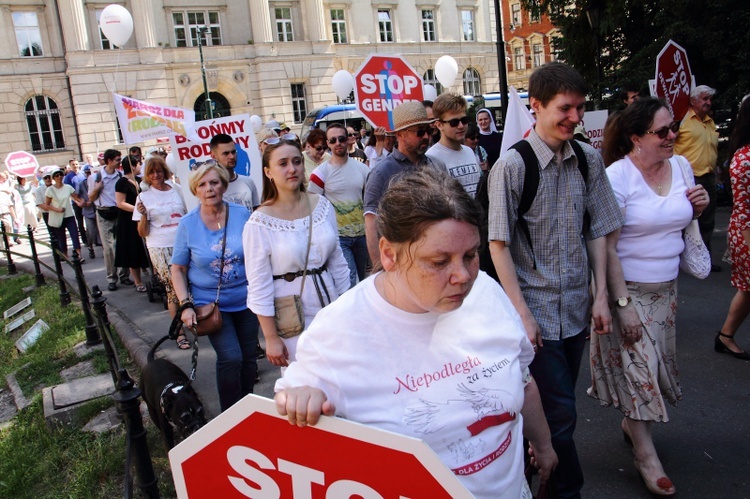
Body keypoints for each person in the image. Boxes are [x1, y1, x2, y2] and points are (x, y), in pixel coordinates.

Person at [275, 168, 558, 498]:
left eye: (470, 255)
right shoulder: (337, 334)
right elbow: (290, 433)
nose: (463, 276)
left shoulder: (487, 292)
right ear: (389, 254)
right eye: (439, 261)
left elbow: (522, 379)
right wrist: (300, 401)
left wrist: (544, 444)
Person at [487, 62, 623, 499]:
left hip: (576, 313)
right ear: (537, 106)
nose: (575, 117)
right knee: (560, 414)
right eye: (565, 108)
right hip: (538, 318)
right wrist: (522, 315)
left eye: (580, 108)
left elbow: (599, 228)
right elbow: (498, 245)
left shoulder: (587, 158)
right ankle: (566, 490)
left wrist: (601, 295)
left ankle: (531, 481)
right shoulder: (512, 166)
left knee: (551, 412)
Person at [592, 97, 709, 496]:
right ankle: (646, 456)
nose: (672, 136)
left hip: (667, 292)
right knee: (640, 373)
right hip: (631, 292)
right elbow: (606, 247)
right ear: (635, 138)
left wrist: (699, 206)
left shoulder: (681, 166)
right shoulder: (617, 177)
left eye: (672, 127)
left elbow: (680, 218)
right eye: (662, 132)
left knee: (656, 372)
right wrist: (617, 303)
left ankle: (631, 424)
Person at [244, 140, 349, 367]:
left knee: (341, 373)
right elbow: (259, 285)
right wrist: (271, 337)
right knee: (304, 380)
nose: (292, 169)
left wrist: (348, 306)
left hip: (331, 302)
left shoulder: (321, 205)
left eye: (297, 161)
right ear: (268, 172)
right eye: (283, 164)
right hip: (292, 312)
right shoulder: (259, 222)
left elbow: (338, 262)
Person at [171, 162, 259, 412]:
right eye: (202, 184)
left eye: (214, 182)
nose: (209, 188)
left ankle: (249, 410)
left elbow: (258, 252)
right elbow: (177, 269)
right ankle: (230, 416)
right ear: (195, 190)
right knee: (232, 358)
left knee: (249, 360)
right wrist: (185, 305)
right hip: (210, 305)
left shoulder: (242, 214)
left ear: (223, 185)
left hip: (247, 300)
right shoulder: (188, 224)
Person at [363, 101, 446, 267]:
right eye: (420, 132)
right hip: (402, 263)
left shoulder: (437, 166)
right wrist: (380, 268)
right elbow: (371, 224)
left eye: (428, 131)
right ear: (400, 135)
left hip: (438, 258)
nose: (426, 137)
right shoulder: (381, 173)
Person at [134, 156, 189, 348]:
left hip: (183, 243)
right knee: (173, 289)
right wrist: (143, 215)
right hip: (159, 246)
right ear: (147, 176)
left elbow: (189, 213)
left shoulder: (177, 189)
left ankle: (193, 318)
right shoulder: (143, 197)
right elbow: (142, 232)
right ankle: (179, 332)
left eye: (159, 171)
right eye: (151, 172)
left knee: (191, 284)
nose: (156, 175)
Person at [308, 124, 369, 287]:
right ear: (328, 143)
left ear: (348, 139)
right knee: (349, 280)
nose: (338, 143)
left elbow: (370, 201)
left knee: (364, 280)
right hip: (338, 237)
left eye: (341, 139)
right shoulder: (320, 173)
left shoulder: (363, 169)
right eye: (333, 140)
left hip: (362, 235)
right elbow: (312, 206)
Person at [717, 95, 750, 360]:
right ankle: (725, 336)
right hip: (747, 232)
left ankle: (726, 336)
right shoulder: (744, 157)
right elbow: (744, 206)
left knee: (747, 290)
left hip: (744, 230)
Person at [674, 85, 720, 271]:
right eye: (704, 99)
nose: (708, 103)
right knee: (687, 219)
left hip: (708, 177)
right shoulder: (683, 120)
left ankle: (704, 258)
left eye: (709, 99)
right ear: (693, 100)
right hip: (690, 178)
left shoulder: (709, 122)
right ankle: (680, 258)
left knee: (708, 219)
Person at [90, 149, 130, 291]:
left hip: (118, 212)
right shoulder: (97, 177)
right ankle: (112, 278)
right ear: (109, 161)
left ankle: (124, 275)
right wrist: (96, 189)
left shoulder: (120, 175)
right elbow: (90, 199)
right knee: (109, 249)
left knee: (122, 244)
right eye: (118, 159)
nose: (120, 162)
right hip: (104, 213)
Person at [427, 93, 481, 197]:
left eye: (464, 120)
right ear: (439, 125)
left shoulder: (469, 151)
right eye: (454, 122)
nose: (461, 126)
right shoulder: (432, 157)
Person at [114, 157, 149, 291]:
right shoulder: (121, 183)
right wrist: (137, 209)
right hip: (128, 221)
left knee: (144, 248)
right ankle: (138, 282)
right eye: (139, 164)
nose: (140, 166)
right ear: (133, 166)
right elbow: (120, 203)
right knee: (132, 250)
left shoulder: (140, 181)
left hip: (142, 218)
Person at [210, 133, 260, 211]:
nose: (232, 156)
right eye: (226, 153)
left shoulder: (248, 181)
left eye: (233, 152)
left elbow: (257, 212)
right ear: (214, 156)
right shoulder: (210, 188)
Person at [45, 168, 85, 260]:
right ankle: (65, 256)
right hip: (58, 216)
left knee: (75, 235)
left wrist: (83, 202)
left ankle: (79, 255)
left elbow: (77, 198)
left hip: (69, 215)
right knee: (61, 237)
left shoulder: (68, 187)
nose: (59, 177)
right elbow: (46, 205)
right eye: (56, 175)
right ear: (53, 178)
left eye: (61, 175)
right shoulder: (50, 190)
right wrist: (57, 209)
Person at [75, 165, 100, 259]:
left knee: (101, 231)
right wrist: (81, 202)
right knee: (91, 231)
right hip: (88, 211)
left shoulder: (98, 182)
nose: (89, 174)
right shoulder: (82, 184)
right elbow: (75, 195)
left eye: (90, 172)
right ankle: (90, 248)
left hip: (98, 210)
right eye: (87, 173)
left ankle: (105, 249)